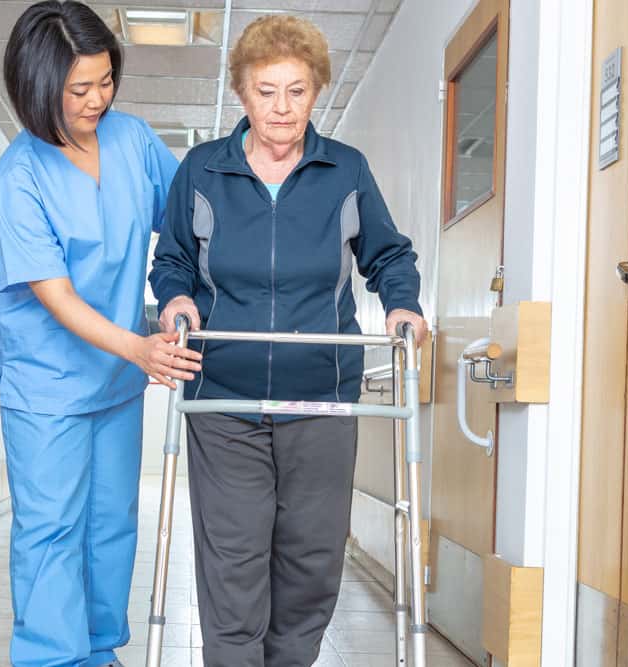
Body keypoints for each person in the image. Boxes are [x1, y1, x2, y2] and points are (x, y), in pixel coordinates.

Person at [149, 14, 429, 667]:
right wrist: (177, 299)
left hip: (321, 398)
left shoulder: (345, 172)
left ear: (316, 92)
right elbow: (173, 261)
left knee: (310, 563)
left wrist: (402, 307)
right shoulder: (202, 170)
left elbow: (388, 256)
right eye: (265, 90)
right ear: (241, 95)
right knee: (234, 564)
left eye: (296, 90)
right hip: (222, 398)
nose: (281, 106)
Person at [0, 2, 198, 666]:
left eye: (106, 81)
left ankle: (99, 652)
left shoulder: (133, 141)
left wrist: (177, 298)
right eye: (79, 89)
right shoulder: (16, 178)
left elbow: (184, 223)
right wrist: (139, 346)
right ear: (38, 86)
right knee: (51, 530)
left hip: (116, 382)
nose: (97, 99)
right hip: (47, 385)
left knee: (111, 527)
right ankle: (52, 657)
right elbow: (57, 296)